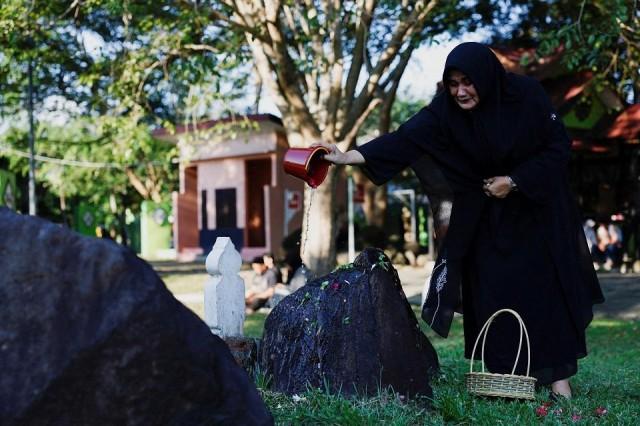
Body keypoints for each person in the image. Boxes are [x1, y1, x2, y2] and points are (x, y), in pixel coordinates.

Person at [315, 42, 604, 399]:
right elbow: (403, 140)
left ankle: (559, 381)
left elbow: (558, 146)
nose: (460, 91)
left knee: (544, 292)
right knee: (492, 292)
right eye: (452, 83)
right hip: (485, 217)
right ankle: (505, 377)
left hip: (535, 211)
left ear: (486, 77)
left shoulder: (525, 95)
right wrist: (345, 158)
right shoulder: (445, 112)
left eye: (468, 81)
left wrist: (514, 181)